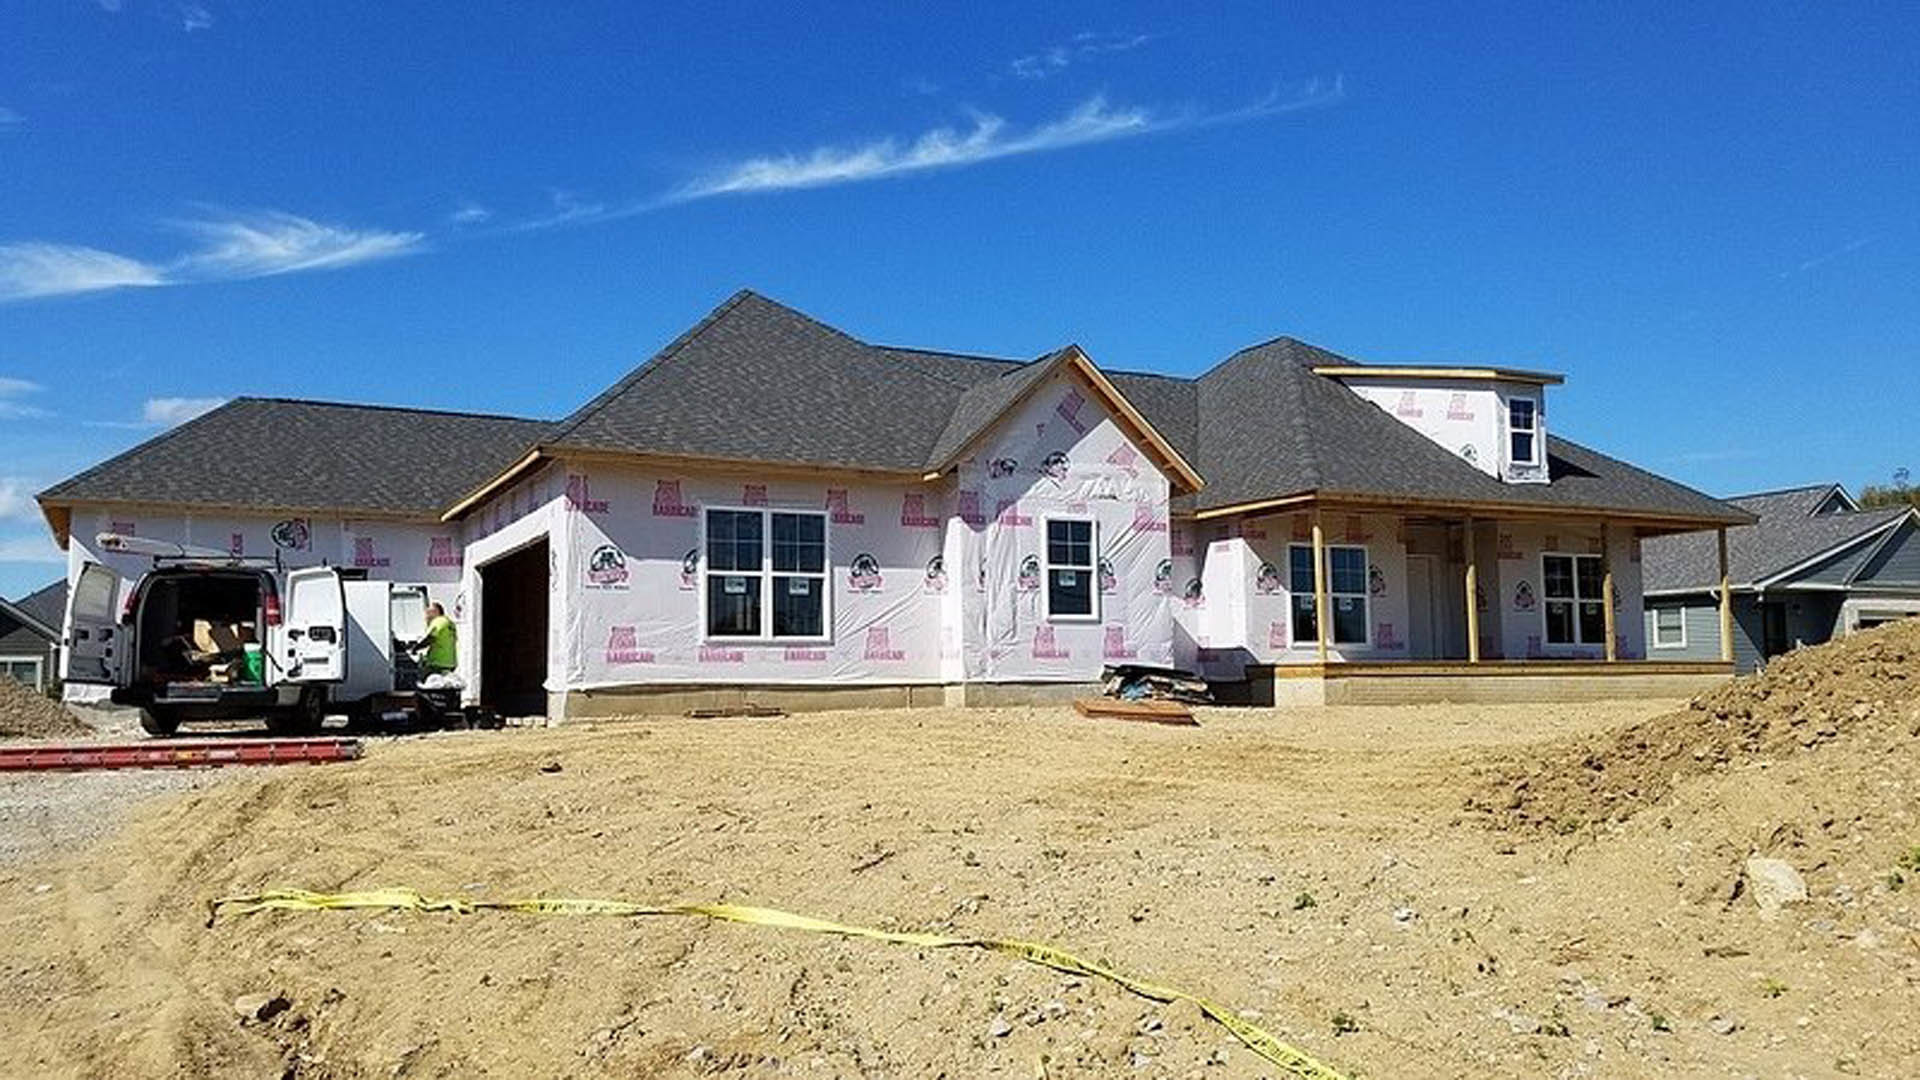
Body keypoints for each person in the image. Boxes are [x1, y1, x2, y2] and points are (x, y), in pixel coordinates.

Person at [420, 602, 458, 677]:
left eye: (428, 612)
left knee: (427, 682)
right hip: (450, 662)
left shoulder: (438, 621)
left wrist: (416, 648)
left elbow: (430, 638)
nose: (426, 614)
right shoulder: (449, 622)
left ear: (435, 612)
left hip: (437, 662)